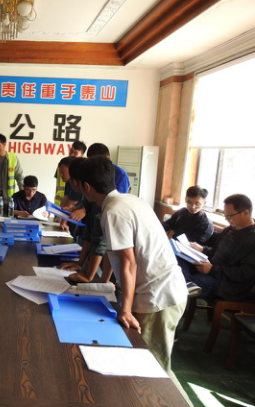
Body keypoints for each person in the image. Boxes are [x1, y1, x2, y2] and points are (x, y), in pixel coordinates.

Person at [77, 156, 187, 376]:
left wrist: (125, 310)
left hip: (157, 295)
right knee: (145, 362)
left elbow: (128, 262)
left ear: (87, 187)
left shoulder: (113, 211)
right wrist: (104, 283)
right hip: (163, 288)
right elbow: (115, 253)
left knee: (151, 367)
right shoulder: (128, 200)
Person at [181, 194, 255, 301]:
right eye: (225, 215)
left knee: (177, 283)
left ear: (245, 213)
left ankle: (186, 284)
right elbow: (217, 252)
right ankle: (188, 283)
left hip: (225, 283)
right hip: (211, 268)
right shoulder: (229, 230)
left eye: (229, 215)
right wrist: (203, 249)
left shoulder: (252, 239)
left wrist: (212, 269)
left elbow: (244, 274)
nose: (226, 219)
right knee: (178, 261)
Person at [60, 158, 112, 284]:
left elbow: (99, 240)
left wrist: (89, 276)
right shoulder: (90, 198)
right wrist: (80, 263)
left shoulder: (103, 204)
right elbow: (89, 233)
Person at [54, 140, 87, 206]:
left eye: (76, 153)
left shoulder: (82, 172)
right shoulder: (63, 165)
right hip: (61, 203)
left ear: (82, 155)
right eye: (71, 151)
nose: (72, 155)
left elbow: (73, 201)